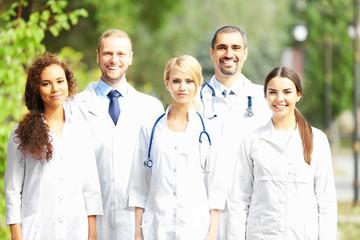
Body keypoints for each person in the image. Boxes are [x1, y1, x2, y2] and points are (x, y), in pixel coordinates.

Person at [67, 29, 164, 240]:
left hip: (137, 222)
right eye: (107, 53)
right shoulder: (73, 107)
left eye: (121, 54)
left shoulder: (151, 108)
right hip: (88, 221)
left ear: (130, 58)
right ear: (97, 56)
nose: (114, 60)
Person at [227, 66, 337, 239]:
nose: (279, 98)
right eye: (272, 92)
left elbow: (326, 203)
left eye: (287, 92)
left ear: (298, 95)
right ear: (265, 96)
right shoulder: (251, 141)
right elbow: (239, 201)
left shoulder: (318, 140)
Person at [5, 52, 103, 240]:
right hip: (37, 230)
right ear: (36, 89)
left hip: (76, 230)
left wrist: (92, 234)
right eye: (46, 83)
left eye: (60, 81)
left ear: (68, 83)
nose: (55, 89)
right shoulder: (20, 134)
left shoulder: (81, 130)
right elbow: (12, 190)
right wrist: (17, 237)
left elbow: (90, 187)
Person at [128, 55, 225, 240]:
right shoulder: (150, 129)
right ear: (167, 83)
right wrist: (138, 232)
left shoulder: (209, 130)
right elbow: (138, 185)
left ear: (197, 84)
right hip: (156, 228)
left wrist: (212, 233)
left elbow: (216, 188)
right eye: (176, 81)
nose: (182, 87)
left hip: (196, 229)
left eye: (189, 81)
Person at [199, 25, 272, 239]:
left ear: (245, 53)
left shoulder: (263, 99)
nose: (229, 54)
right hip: (203, 211)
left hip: (252, 210)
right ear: (212, 53)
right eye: (222, 48)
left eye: (236, 48)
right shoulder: (193, 99)